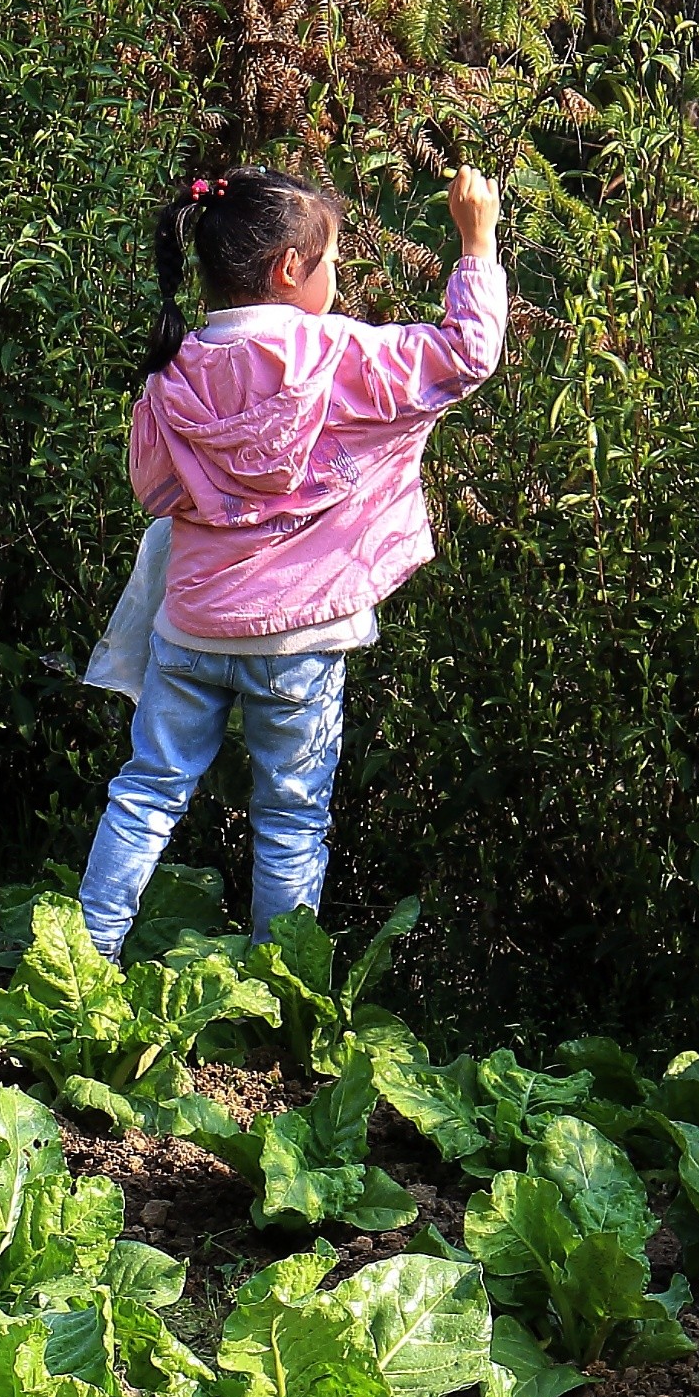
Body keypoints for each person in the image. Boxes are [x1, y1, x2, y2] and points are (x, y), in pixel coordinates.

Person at [75, 163, 508, 959]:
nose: (336, 278)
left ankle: (82, 957)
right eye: (332, 261)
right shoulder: (340, 356)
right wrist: (475, 241)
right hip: (301, 639)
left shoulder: (176, 367)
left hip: (192, 626)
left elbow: (153, 487)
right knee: (291, 816)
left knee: (144, 794)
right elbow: (466, 355)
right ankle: (281, 992)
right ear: (286, 269)